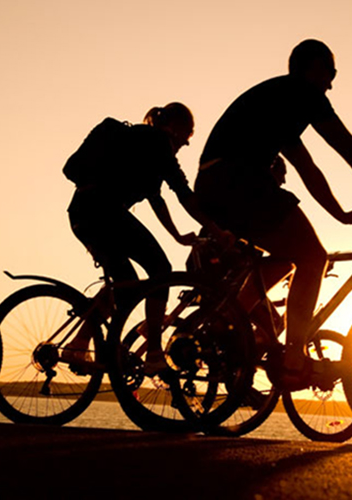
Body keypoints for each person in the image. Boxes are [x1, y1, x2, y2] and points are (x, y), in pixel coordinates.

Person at [194, 39, 352, 389]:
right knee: (314, 258)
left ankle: (229, 318)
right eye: (330, 73)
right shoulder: (303, 94)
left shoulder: (278, 103)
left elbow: (308, 168)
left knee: (290, 259)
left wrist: (341, 214)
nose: (331, 83)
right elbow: (349, 148)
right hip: (237, 180)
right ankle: (294, 361)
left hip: (214, 185)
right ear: (312, 68)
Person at [63, 102, 230, 375]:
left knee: (125, 285)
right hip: (103, 215)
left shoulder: (140, 142)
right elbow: (183, 193)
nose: (186, 144)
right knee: (161, 270)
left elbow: (156, 197)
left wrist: (176, 235)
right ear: (175, 128)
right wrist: (214, 228)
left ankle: (79, 344)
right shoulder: (159, 144)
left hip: (83, 214)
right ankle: (153, 352)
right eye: (187, 136)